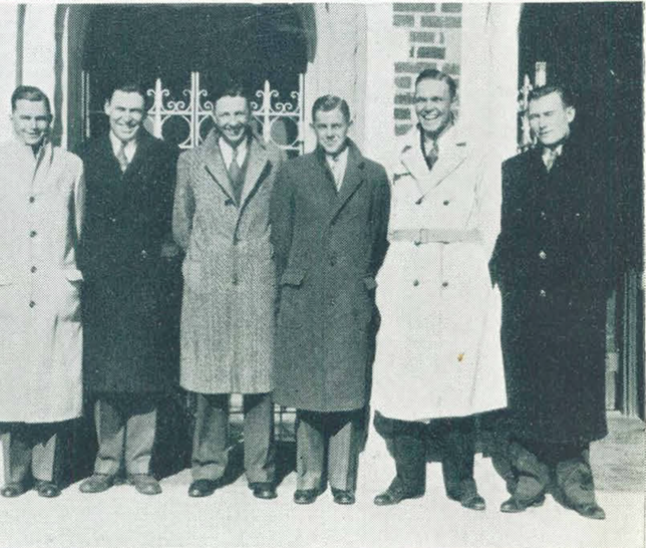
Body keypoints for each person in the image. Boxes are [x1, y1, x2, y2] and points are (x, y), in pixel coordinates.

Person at [371, 69, 505, 511]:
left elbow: (491, 221)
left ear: (453, 103)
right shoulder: (397, 152)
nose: (428, 107)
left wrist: (471, 271)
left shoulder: (476, 152)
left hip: (457, 278)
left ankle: (462, 483)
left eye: (437, 99)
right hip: (408, 275)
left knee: (457, 379)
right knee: (404, 379)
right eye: (421, 99)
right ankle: (406, 479)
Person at [490, 84, 610, 520]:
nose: (541, 122)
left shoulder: (595, 168)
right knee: (527, 387)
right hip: (526, 303)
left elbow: (610, 238)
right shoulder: (514, 169)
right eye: (534, 115)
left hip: (575, 304)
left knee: (573, 390)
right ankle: (528, 478)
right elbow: (507, 234)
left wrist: (593, 289)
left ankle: (576, 483)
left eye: (549, 114)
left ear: (570, 114)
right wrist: (507, 278)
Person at [271, 95, 390, 505]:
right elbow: (281, 238)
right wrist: (299, 276)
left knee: (346, 387)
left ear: (349, 123)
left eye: (336, 126)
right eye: (322, 127)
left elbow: (379, 237)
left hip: (349, 295)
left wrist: (360, 277)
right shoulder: (293, 173)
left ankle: (342, 479)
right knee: (308, 388)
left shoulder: (372, 175)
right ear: (313, 127)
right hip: (307, 293)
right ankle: (309, 477)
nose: (330, 134)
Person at [0, 86, 84, 498]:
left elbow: (79, 226)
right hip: (10, 287)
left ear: (50, 120)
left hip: (54, 285)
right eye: (26, 118)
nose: (34, 125)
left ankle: (47, 475)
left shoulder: (70, 165)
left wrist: (65, 273)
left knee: (52, 381)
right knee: (11, 381)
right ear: (12, 118)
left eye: (41, 118)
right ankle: (14, 475)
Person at [173, 82, 285, 500]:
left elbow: (281, 216)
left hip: (257, 277)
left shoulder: (274, 157)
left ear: (251, 113)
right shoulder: (191, 160)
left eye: (240, 114)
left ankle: (260, 470)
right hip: (210, 278)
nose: (233, 122)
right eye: (225, 115)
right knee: (210, 380)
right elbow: (181, 222)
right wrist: (204, 261)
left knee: (258, 380)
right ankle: (207, 467)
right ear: (212, 116)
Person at [75, 80, 180, 495]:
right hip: (101, 282)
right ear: (106, 107)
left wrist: (164, 267)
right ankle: (105, 462)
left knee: (144, 375)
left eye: (135, 111)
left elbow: (174, 220)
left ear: (146, 113)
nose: (127, 118)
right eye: (120, 109)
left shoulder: (165, 156)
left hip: (146, 282)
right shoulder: (83, 155)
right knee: (105, 376)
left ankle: (140, 464)